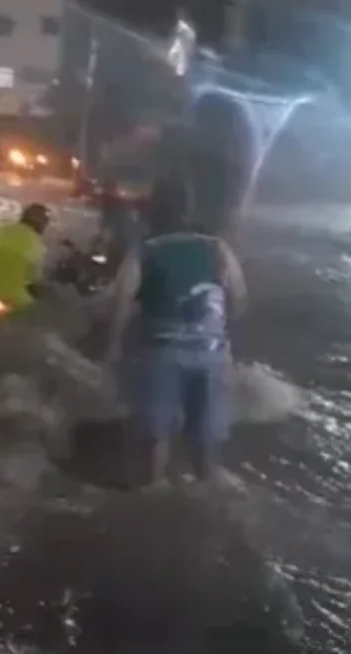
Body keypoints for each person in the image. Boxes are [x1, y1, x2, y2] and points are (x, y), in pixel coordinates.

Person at [104, 178, 247, 486]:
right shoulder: (216, 246)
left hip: (160, 351)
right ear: (189, 209)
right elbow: (239, 295)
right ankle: (207, 497)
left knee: (157, 437)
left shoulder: (145, 248)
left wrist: (114, 344)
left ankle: (154, 496)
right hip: (211, 353)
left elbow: (121, 298)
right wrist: (223, 336)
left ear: (153, 209)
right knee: (206, 440)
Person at [0, 203, 51, 312]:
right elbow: (33, 276)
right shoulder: (36, 243)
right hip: (15, 299)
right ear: (42, 223)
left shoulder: (2, 230)